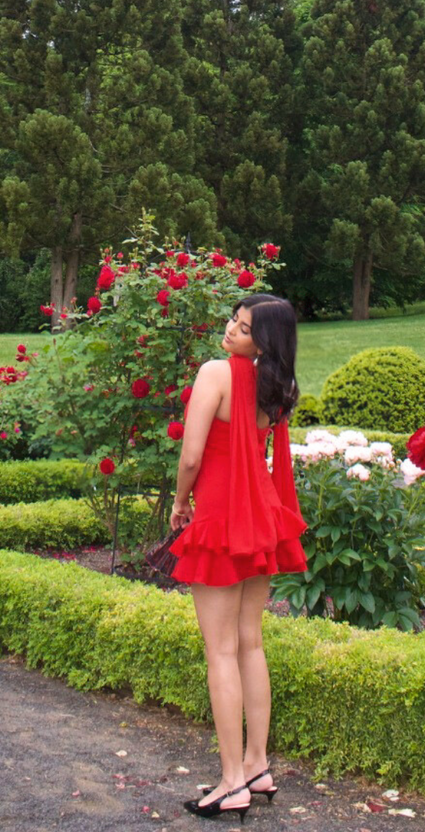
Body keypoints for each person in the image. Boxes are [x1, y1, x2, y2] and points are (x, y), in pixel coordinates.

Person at [169, 294, 307, 820]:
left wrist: (181, 504)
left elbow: (191, 455)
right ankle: (256, 765)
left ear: (262, 341)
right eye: (234, 319)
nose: (231, 330)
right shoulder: (276, 386)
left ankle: (231, 783)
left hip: (222, 520)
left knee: (221, 651)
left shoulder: (216, 374)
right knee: (250, 643)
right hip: (262, 519)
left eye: (245, 328)